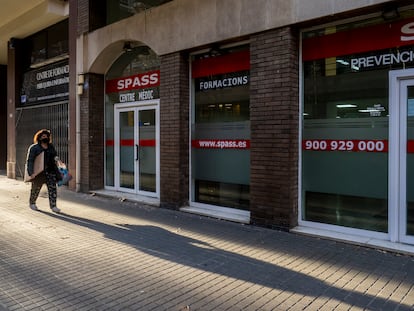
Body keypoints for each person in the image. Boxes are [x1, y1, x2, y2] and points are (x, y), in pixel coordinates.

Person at [26, 129, 62, 213]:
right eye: (43, 136)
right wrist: (31, 173)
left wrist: (56, 159)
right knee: (36, 188)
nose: (45, 138)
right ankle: (32, 203)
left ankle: (53, 206)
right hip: (39, 172)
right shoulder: (34, 148)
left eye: (46, 136)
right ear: (39, 138)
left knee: (52, 189)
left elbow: (54, 155)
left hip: (50, 171)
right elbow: (30, 160)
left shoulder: (50, 146)